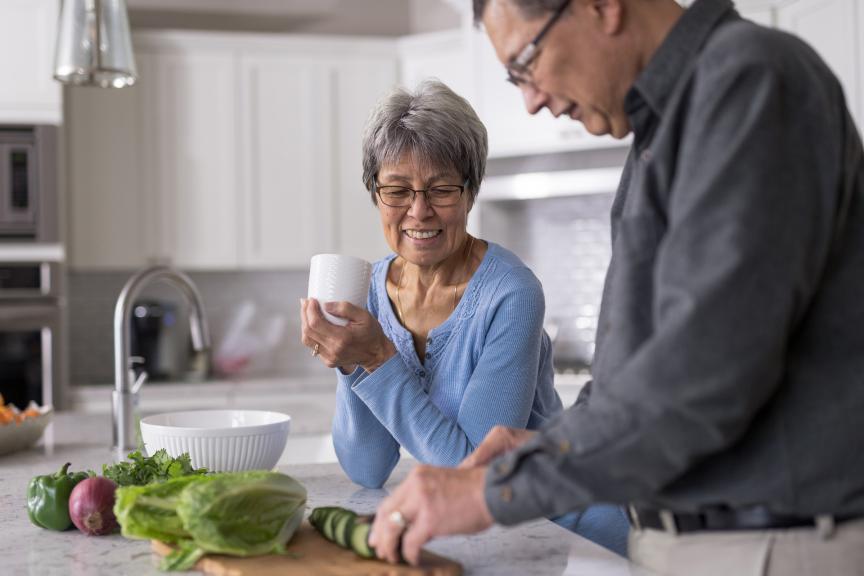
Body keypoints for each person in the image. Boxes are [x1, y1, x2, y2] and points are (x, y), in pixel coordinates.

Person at [366, 0, 864, 573]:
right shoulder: (667, 126)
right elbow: (636, 375)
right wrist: (548, 449)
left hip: (768, 547)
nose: (532, 100)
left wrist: (494, 490)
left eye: (527, 63)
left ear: (600, 7)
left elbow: (703, 373)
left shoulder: (749, 82)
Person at [298, 79, 628, 554]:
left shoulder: (509, 292)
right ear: (375, 194)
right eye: (397, 190)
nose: (419, 211)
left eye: (441, 189)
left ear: (471, 192)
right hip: (482, 536)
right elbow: (366, 469)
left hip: (568, 529)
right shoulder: (368, 288)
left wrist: (375, 358)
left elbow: (477, 472)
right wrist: (349, 360)